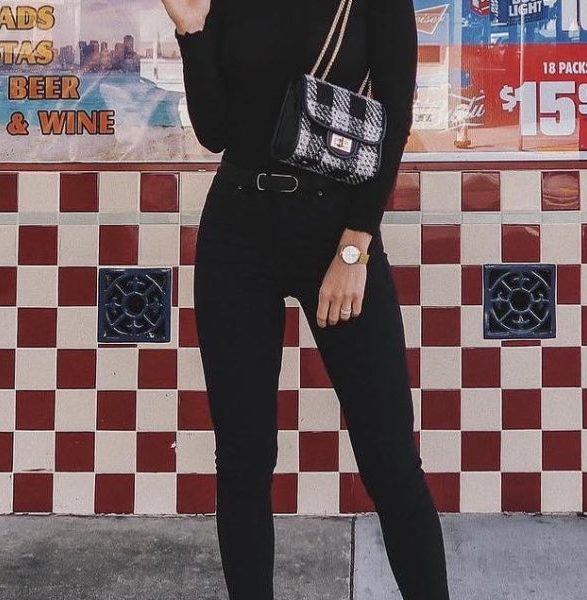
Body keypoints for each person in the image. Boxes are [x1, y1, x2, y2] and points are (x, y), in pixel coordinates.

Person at [160, 0, 451, 598]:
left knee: (390, 458)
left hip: (335, 231)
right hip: (237, 231)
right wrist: (192, 30)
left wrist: (355, 247)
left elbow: (394, 111)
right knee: (243, 460)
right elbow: (216, 132)